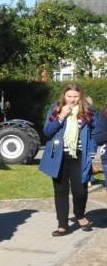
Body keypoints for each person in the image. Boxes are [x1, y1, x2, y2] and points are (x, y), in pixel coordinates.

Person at [41, 83, 98, 236]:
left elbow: (94, 133)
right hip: (59, 156)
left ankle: (79, 215)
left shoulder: (88, 111)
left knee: (80, 190)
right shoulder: (56, 109)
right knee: (61, 190)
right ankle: (63, 224)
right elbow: (47, 131)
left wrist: (92, 151)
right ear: (64, 96)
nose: (72, 100)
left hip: (79, 155)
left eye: (75, 96)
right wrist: (61, 117)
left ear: (81, 97)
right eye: (69, 96)